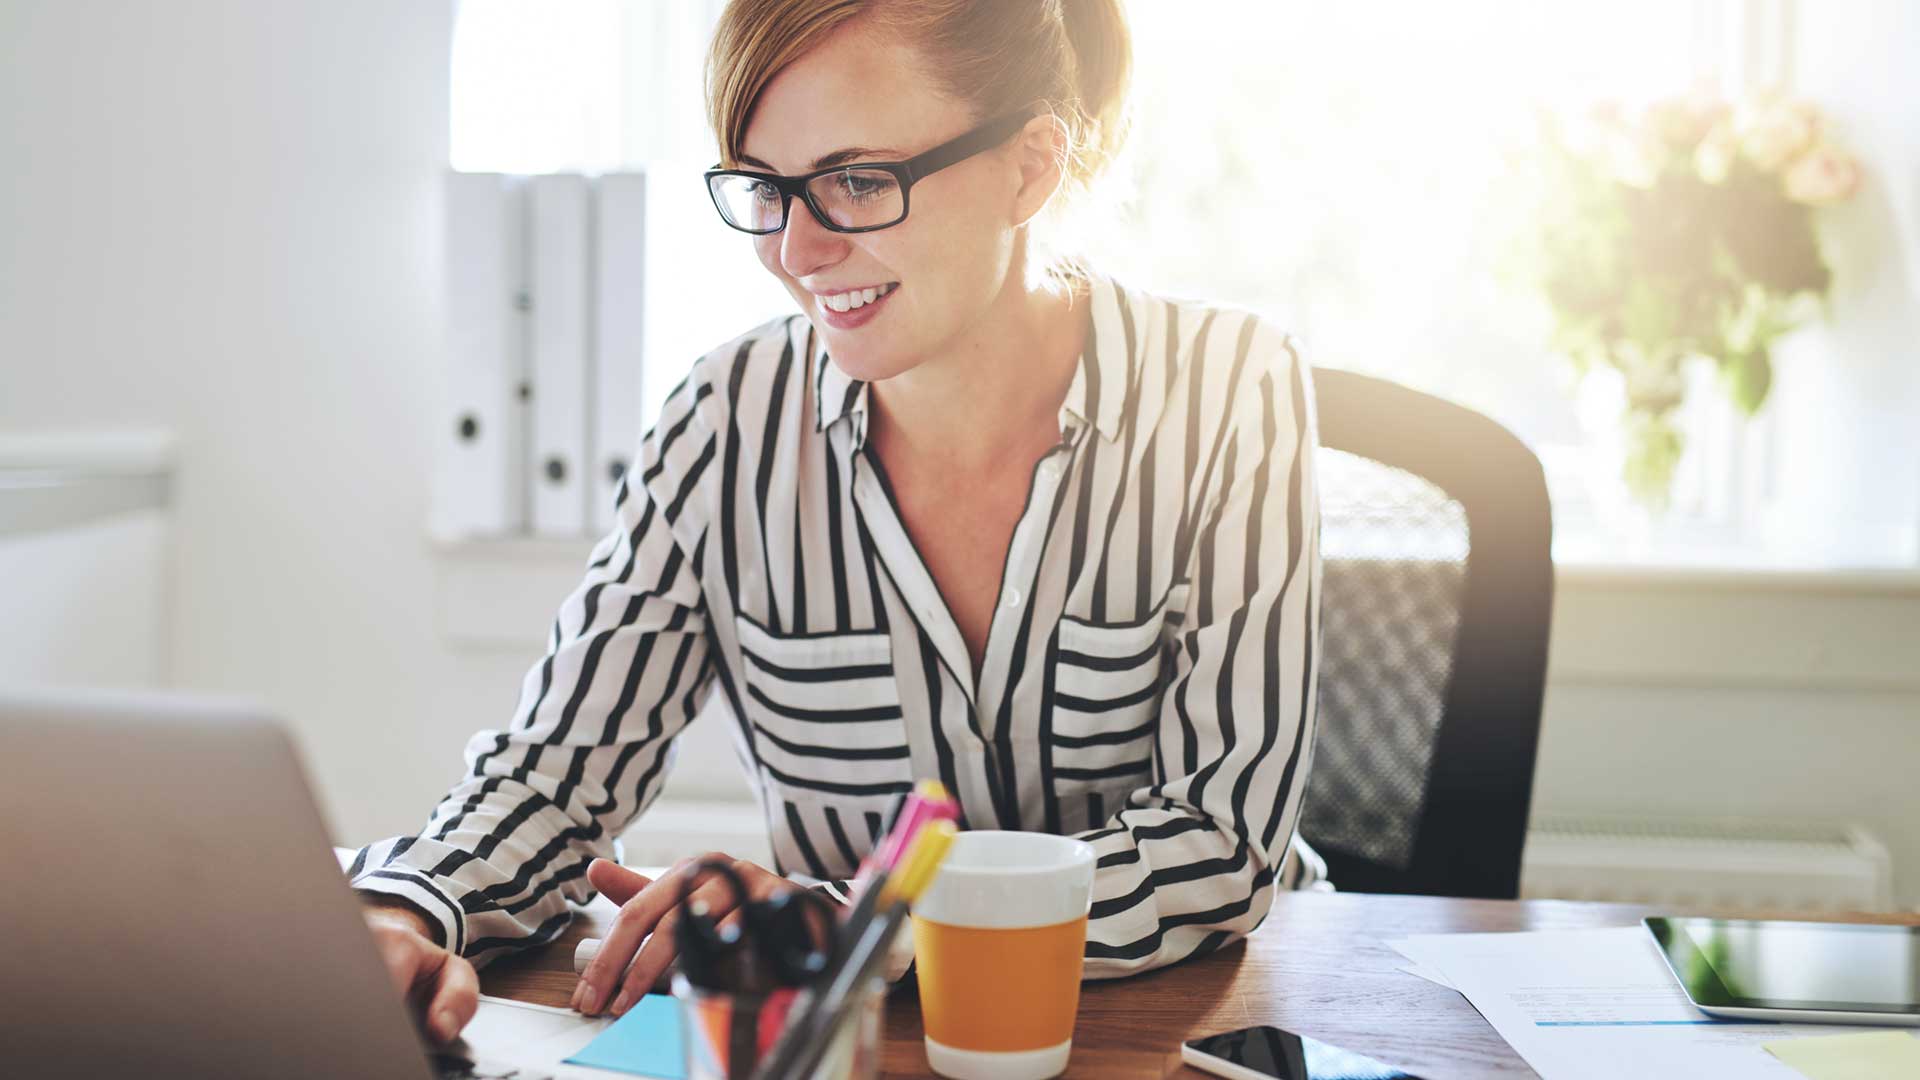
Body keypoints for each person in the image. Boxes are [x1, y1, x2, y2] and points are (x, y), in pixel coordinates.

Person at [353, 0, 1321, 1043]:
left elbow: (1220, 840)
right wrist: (403, 911)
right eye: (767, 189)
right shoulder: (726, 421)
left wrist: (860, 923)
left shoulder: (1229, 388)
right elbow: (553, 778)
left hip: (1173, 1034)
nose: (796, 250)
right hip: (857, 1051)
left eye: (858, 181)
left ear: (1031, 166)